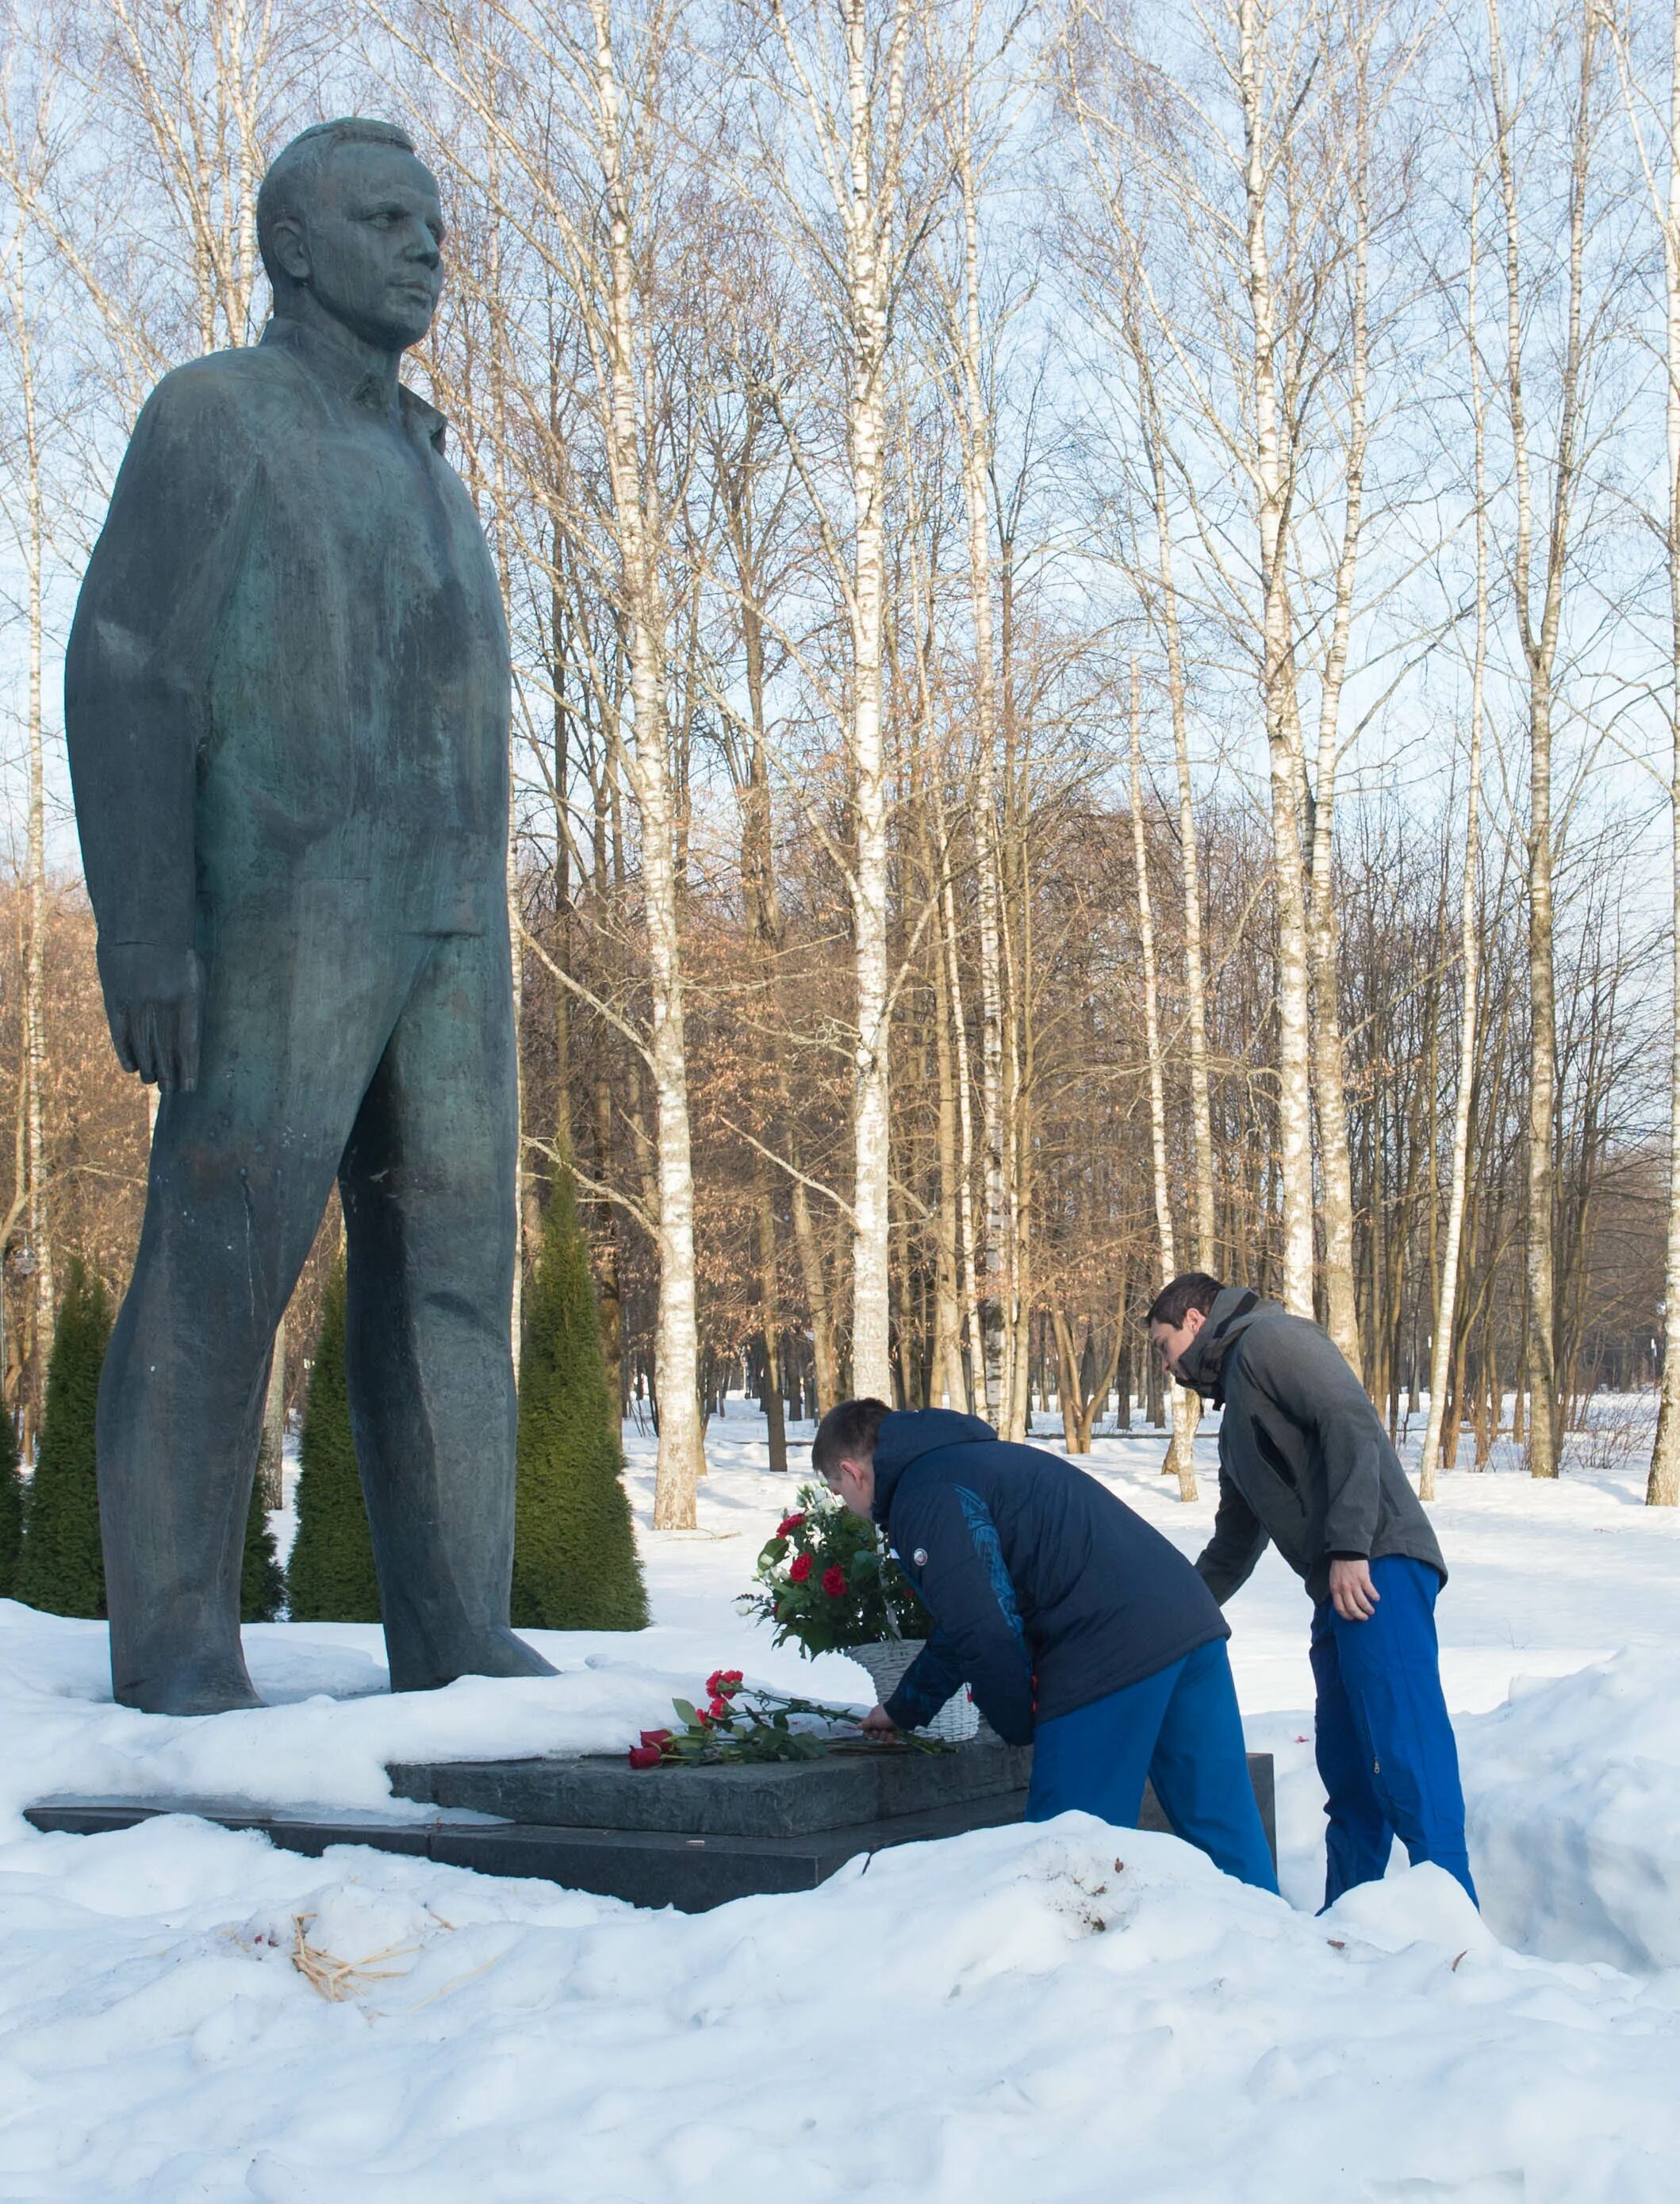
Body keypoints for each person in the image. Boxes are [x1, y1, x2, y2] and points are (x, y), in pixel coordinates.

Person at [64, 119, 552, 1713]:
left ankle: (457, 1628)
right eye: (386, 217)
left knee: (457, 1273)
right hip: (280, 911)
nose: (426, 244)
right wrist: (145, 927)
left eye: (435, 218)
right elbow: (128, 668)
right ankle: (181, 1642)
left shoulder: (431, 468)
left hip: (453, 927)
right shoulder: (216, 418)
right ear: (294, 244)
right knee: (222, 1251)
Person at [813, 1398, 1278, 1893]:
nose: (849, 1507)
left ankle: (1077, 1972)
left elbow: (983, 1627)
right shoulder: (964, 1460)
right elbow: (968, 1617)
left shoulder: (922, 1495)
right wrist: (905, 1709)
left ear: (852, 1472)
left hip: (1107, 1650)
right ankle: (1278, 1953)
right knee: (1223, 1826)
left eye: (839, 1492)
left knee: (1071, 1863)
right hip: (1188, 1621)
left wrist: (1018, 1724)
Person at [1149, 1273, 1477, 1908]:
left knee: (1406, 1751)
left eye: (1164, 1347)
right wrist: (1172, 1615)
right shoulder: (1236, 1414)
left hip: (1379, 1567)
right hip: (1338, 1590)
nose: (1168, 1367)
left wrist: (1352, 1545)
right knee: (1350, 1773)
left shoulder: (1273, 1339)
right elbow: (1232, 1545)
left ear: (1194, 1319)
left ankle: (1458, 1930)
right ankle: (1346, 1930)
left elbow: (1348, 1417)